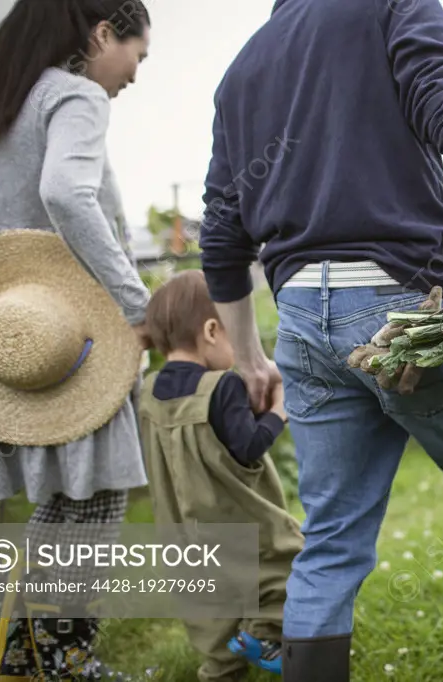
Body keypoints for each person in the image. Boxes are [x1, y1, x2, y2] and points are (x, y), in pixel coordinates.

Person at [197, 0, 443, 679]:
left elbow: (223, 232)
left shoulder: (241, 70)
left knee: (333, 537)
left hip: (301, 319)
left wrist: (251, 358)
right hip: (404, 298)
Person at [0, 0, 156, 678]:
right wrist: (138, 306)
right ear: (103, 32)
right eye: (137, 52)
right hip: (73, 337)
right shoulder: (71, 95)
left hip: (7, 338)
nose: (135, 73)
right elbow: (68, 195)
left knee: (65, 500)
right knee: (94, 500)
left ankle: (26, 661)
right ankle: (61, 660)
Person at [137, 270, 305, 681]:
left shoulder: (148, 389)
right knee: (287, 565)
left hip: (182, 526)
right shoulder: (221, 386)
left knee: (207, 604)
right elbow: (248, 447)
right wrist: (278, 411)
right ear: (212, 330)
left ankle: (220, 669)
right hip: (235, 518)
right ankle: (262, 635)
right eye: (236, 335)